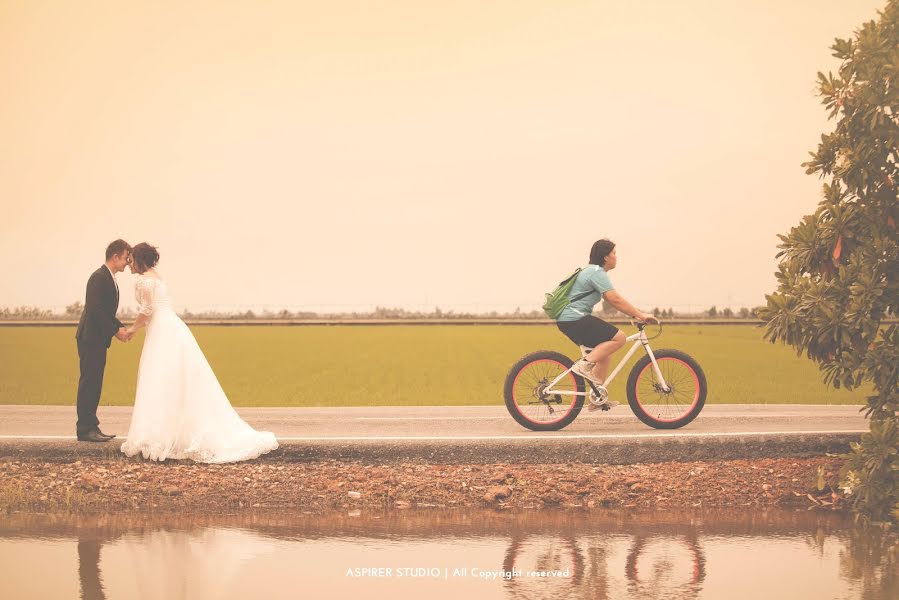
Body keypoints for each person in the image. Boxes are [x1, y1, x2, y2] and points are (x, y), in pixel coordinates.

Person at [119, 242, 278, 463]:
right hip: (173, 327)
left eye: (131, 260)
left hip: (161, 331)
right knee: (179, 378)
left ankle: (161, 434)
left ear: (139, 260)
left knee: (159, 378)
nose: (129, 265)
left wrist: (133, 329)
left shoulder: (143, 281)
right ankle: (175, 430)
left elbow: (146, 310)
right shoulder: (157, 276)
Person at [555, 239, 658, 409]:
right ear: (605, 257)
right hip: (573, 318)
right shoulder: (596, 272)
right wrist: (640, 315)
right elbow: (614, 299)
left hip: (568, 319)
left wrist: (633, 314)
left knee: (604, 355)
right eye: (614, 253)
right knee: (619, 338)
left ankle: (596, 398)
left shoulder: (591, 271)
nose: (616, 257)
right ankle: (584, 365)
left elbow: (613, 301)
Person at [75, 239, 133, 442]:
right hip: (90, 337)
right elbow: (95, 310)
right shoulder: (98, 277)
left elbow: (106, 312)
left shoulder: (109, 278)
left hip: (97, 337)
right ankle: (85, 429)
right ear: (115, 256)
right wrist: (116, 331)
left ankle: (92, 426)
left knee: (95, 383)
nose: (128, 261)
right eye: (126, 257)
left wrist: (119, 326)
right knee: (89, 382)